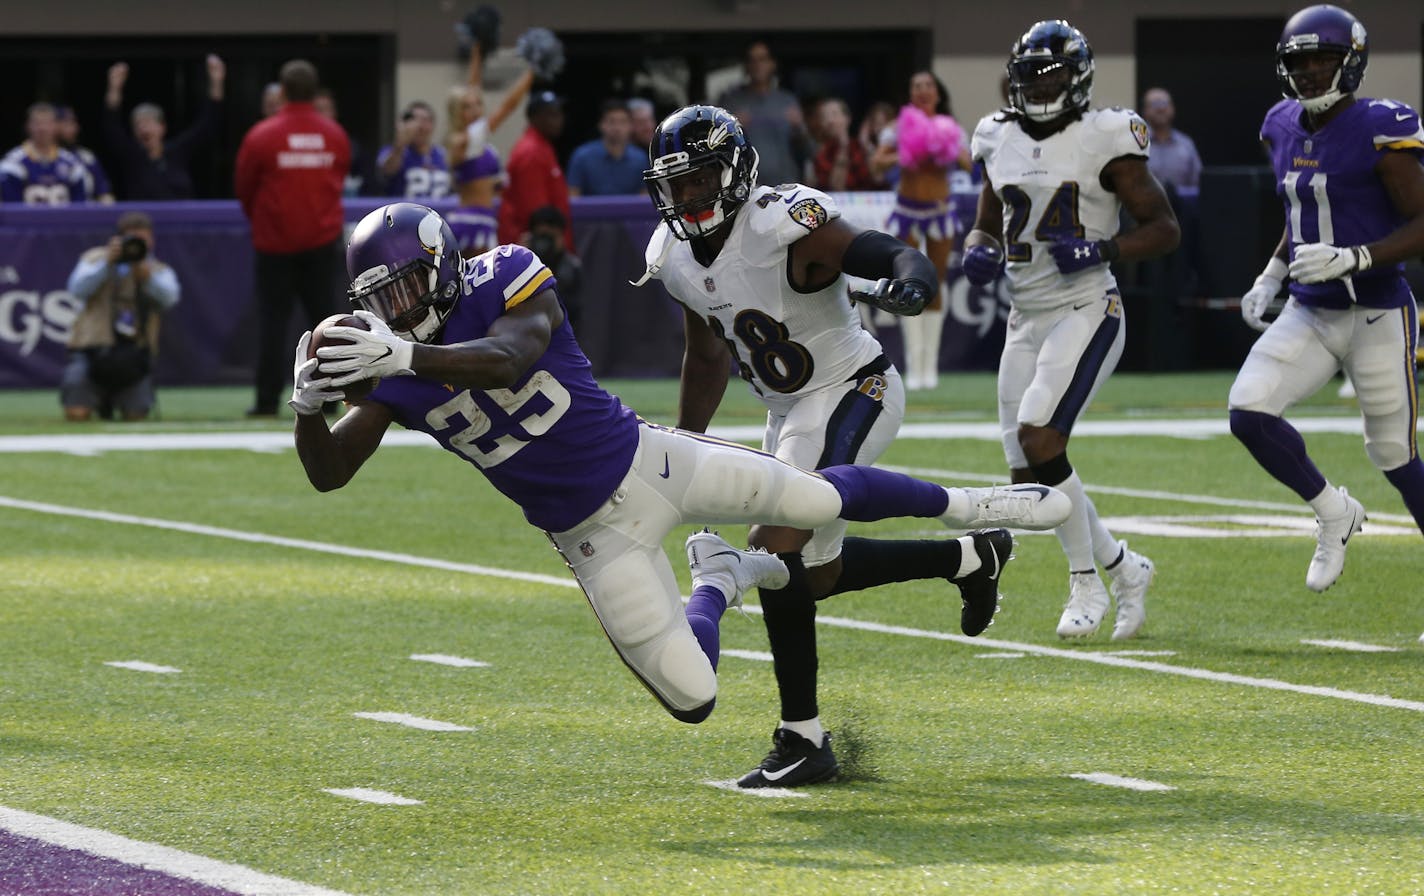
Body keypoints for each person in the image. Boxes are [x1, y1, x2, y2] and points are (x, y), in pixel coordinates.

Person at [292, 202, 1071, 768]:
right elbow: (331, 473)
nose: (395, 313)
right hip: (592, 537)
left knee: (818, 501)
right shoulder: (389, 367)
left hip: (647, 459)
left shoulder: (505, 274)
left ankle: (980, 508)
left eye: (403, 290)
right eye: (380, 301)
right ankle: (718, 582)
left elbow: (513, 356)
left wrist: (406, 359)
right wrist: (305, 410)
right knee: (693, 698)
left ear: (441, 264)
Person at [635, 104, 1059, 787]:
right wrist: (687, 442)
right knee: (814, 574)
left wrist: (913, 282)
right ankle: (969, 556)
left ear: (737, 171)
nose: (688, 197)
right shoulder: (674, 256)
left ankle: (802, 738)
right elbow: (706, 354)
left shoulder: (784, 225)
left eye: (701, 178)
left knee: (775, 543)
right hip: (790, 412)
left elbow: (892, 253)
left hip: (857, 386)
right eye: (676, 184)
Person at [961, 19, 1180, 640]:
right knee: (1028, 475)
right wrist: (978, 248)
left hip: (1086, 307)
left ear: (1077, 77)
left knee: (1039, 437)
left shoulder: (1105, 135)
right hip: (1024, 315)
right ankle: (1124, 567)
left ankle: (1086, 580)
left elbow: (1164, 228)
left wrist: (1102, 249)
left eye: (1050, 73)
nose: (1037, 85)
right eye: (1028, 75)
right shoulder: (996, 134)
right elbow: (986, 219)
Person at [1229, 5, 1424, 605]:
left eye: (1324, 60)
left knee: (1394, 454)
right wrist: (1273, 271)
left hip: (1377, 312)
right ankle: (1333, 511)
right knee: (1249, 411)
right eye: (1300, 62)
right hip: (1311, 310)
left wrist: (1358, 257)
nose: (1312, 72)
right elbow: (1302, 215)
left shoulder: (1382, 128)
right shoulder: (1279, 124)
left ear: (1352, 62)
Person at [234, 59, 351, 418]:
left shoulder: (262, 135)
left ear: (281, 92)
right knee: (327, 327)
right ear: (316, 93)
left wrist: (269, 223)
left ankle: (267, 402)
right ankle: (331, 399)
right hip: (321, 244)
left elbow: (244, 189)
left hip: (275, 246)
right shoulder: (334, 135)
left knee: (273, 324)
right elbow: (339, 178)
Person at [871, 71, 972, 391]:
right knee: (909, 281)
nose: (923, 91)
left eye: (928, 86)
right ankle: (914, 365)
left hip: (940, 210)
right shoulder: (898, 127)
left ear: (937, 94)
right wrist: (907, 153)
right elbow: (877, 163)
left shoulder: (951, 128)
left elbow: (971, 165)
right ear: (910, 94)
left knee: (938, 281)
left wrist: (946, 150)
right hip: (908, 211)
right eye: (917, 86)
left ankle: (931, 366)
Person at [61, 211, 179, 421]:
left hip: (133, 356)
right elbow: (77, 290)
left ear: (151, 240)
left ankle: (124, 401)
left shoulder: (157, 269)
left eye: (142, 239)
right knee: (77, 413)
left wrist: (146, 278)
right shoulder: (95, 258)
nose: (136, 245)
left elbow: (169, 298)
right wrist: (107, 264)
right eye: (131, 239)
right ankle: (95, 400)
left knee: (135, 416)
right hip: (92, 352)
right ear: (119, 239)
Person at [444, 33, 535, 257]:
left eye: (477, 105)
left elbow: (474, 88)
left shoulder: (482, 143)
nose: (474, 109)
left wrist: (477, 51)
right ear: (457, 112)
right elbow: (508, 107)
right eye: (467, 107)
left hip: (488, 219)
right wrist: (533, 72)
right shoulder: (460, 141)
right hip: (469, 223)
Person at [101, 55, 225, 200]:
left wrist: (217, 82)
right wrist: (114, 87)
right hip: (144, 221)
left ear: (162, 127)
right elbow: (111, 127)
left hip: (181, 219)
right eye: (138, 124)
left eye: (148, 122)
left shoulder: (178, 151)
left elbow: (207, 125)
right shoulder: (132, 157)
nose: (143, 128)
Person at [715, 41, 810, 188]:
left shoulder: (787, 100)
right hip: (747, 187)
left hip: (786, 185)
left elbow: (807, 150)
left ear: (772, 64)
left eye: (762, 59)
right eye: (752, 60)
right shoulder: (732, 101)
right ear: (746, 65)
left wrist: (799, 127)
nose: (757, 65)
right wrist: (732, 128)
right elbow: (717, 148)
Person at [496, 91, 572, 248]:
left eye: (559, 114)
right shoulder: (532, 152)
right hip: (535, 246)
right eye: (552, 115)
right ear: (535, 118)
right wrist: (549, 245)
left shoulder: (541, 147)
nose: (559, 120)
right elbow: (537, 214)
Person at [1, 102, 91, 204]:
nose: (42, 128)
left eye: (47, 123)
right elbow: (12, 210)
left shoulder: (71, 162)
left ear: (56, 126)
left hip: (64, 219)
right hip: (26, 219)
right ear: (28, 126)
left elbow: (80, 206)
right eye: (37, 123)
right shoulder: (12, 163)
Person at [567, 99, 646, 196]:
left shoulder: (640, 158)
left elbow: (645, 198)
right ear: (601, 125)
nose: (617, 128)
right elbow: (573, 196)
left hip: (631, 211)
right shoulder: (582, 157)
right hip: (591, 211)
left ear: (631, 126)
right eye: (611, 121)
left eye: (622, 122)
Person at [522, 205, 582, 333]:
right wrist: (520, 258)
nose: (544, 244)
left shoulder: (572, 267)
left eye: (549, 238)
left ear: (560, 237)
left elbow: (574, 310)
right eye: (540, 237)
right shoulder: (521, 264)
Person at [376, 101, 450, 199]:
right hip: (403, 212)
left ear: (433, 125)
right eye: (414, 120)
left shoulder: (444, 154)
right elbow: (387, 170)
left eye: (425, 120)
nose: (419, 126)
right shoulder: (392, 151)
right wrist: (400, 144)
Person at [1140, 87, 1202, 191]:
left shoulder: (1186, 144)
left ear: (1172, 108)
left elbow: (1198, 183)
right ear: (1145, 111)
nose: (1160, 109)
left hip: (1181, 206)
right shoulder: (1136, 144)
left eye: (1164, 103)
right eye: (1155, 104)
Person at [314, 88, 371, 198]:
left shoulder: (351, 146)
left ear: (334, 113)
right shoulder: (301, 147)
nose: (322, 115)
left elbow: (368, 185)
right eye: (317, 110)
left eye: (326, 109)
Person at [810, 97, 874, 192]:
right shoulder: (822, 153)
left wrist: (868, 146)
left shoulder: (861, 146)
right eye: (825, 117)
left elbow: (877, 179)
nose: (830, 121)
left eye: (834, 114)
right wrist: (842, 148)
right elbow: (836, 187)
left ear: (847, 118)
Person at [55, 106, 114, 203]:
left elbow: (104, 193)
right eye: (66, 123)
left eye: (73, 123)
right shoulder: (43, 156)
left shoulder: (87, 157)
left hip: (84, 214)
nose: (73, 128)